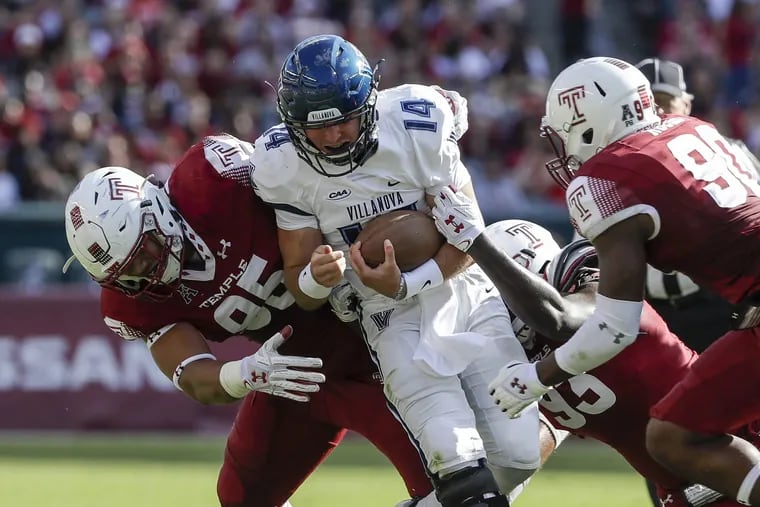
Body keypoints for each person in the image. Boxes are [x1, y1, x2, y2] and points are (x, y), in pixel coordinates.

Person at [432, 57, 760, 506]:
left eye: (564, 134)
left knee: (672, 437)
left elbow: (614, 326)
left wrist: (536, 376)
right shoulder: (694, 129)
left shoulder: (606, 178)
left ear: (586, 124)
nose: (564, 149)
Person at [62, 135, 443, 507]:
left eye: (144, 254)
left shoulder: (214, 179)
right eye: (127, 277)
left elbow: (308, 181)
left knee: (453, 481)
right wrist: (246, 373)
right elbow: (194, 375)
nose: (147, 276)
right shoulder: (132, 304)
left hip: (380, 340)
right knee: (242, 497)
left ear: (155, 211)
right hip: (297, 374)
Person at [251, 34, 542, 507]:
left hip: (464, 288)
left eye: (343, 121)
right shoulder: (281, 165)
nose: (331, 138)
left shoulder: (416, 123)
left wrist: (410, 279)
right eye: (315, 127)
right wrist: (316, 277)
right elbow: (299, 283)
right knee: (457, 463)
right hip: (387, 313)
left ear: (368, 104)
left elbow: (470, 238)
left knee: (518, 457)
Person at [453, 217, 753, 506]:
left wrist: (474, 239)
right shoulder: (514, 356)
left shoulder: (601, 301)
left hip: (741, 444)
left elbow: (563, 320)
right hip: (681, 490)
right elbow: (539, 428)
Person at [635, 56, 760, 507]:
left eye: (666, 102)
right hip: (654, 314)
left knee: (727, 421)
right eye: (648, 104)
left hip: (717, 305)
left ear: (687, 102)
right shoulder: (620, 162)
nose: (658, 113)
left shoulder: (723, 150)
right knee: (660, 427)